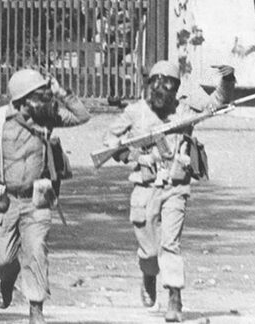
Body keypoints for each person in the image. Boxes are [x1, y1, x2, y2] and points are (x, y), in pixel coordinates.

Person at [0, 69, 90, 324]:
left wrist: (61, 92)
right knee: (2, 259)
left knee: (36, 250)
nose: (45, 100)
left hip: (36, 200)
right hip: (5, 201)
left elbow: (82, 116)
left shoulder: (46, 116)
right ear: (22, 100)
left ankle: (36, 308)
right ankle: (7, 279)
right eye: (39, 96)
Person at [101, 60, 236, 322]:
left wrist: (227, 81)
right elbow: (109, 140)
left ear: (176, 88)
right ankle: (149, 274)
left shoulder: (185, 110)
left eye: (168, 84)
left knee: (170, 244)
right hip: (145, 188)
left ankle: (175, 296)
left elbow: (217, 103)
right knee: (150, 251)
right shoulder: (135, 112)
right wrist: (132, 154)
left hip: (176, 187)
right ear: (149, 84)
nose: (161, 88)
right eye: (157, 83)